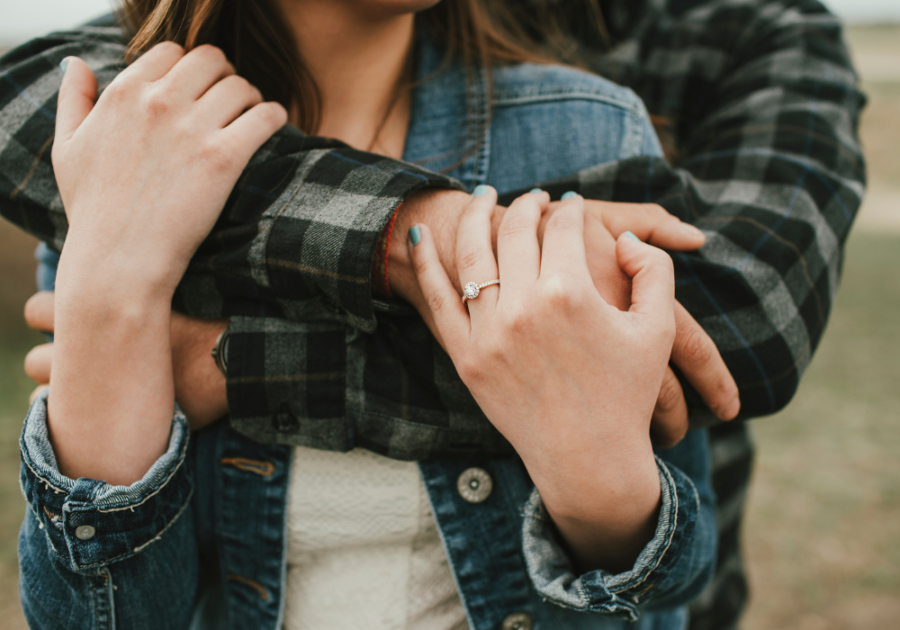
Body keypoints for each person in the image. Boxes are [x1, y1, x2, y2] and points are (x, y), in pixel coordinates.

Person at [0, 0, 865, 628]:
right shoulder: (124, 138)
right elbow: (98, 616)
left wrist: (236, 360)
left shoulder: (585, 132)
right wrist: (113, 292)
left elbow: (665, 573)